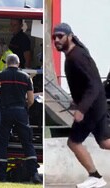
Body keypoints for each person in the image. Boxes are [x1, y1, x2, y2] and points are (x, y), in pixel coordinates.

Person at [53, 23, 110, 188]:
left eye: (60, 36)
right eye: (54, 37)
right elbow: (87, 84)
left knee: (73, 142)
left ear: (69, 36)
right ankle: (95, 177)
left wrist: (81, 109)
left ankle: (95, 176)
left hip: (91, 108)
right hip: (95, 105)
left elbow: (93, 85)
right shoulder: (74, 55)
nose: (56, 40)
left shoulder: (77, 57)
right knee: (104, 142)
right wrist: (77, 101)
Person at [0, 54, 42, 183]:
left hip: (4, 112)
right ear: (18, 63)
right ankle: (34, 173)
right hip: (21, 112)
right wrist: (23, 107)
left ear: (6, 63)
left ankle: (1, 175)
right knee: (27, 143)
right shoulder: (26, 77)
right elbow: (31, 100)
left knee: (2, 143)